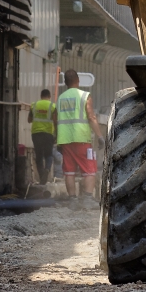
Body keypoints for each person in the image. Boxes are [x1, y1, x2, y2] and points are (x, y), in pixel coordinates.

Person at [55, 69, 100, 198]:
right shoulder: (85, 96)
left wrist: (57, 138)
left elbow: (56, 119)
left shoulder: (60, 98)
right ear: (78, 81)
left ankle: (72, 200)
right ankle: (87, 199)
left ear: (65, 82)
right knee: (89, 170)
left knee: (69, 172)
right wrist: (100, 136)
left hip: (65, 140)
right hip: (82, 139)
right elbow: (91, 117)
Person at [28, 87, 56, 184]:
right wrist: (56, 134)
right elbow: (56, 121)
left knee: (39, 156)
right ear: (49, 96)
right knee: (48, 155)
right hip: (48, 134)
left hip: (36, 134)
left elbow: (29, 120)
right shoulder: (52, 106)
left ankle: (41, 179)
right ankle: (47, 169)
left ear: (41, 96)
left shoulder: (34, 105)